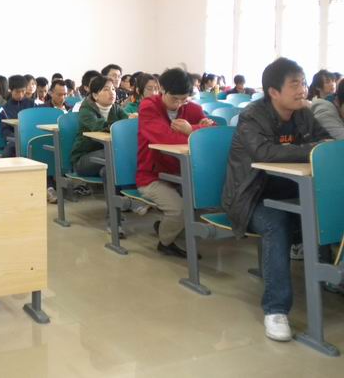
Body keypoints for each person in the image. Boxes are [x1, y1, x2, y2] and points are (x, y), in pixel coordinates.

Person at [222, 57, 330, 342]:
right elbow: (265, 153)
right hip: (250, 197)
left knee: (330, 210)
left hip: (292, 191)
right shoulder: (252, 117)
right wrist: (311, 149)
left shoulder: (303, 113)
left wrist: (313, 147)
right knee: (277, 223)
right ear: (273, 91)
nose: (302, 89)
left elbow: (326, 142)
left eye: (303, 82)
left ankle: (331, 276)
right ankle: (276, 309)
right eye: (294, 84)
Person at [137, 68, 214, 258]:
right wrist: (196, 130)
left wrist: (191, 129)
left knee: (209, 201)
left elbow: (212, 135)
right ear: (162, 89)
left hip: (182, 173)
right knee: (179, 209)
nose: (179, 104)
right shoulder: (148, 106)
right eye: (174, 99)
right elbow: (165, 138)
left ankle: (167, 227)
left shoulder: (192, 108)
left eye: (184, 99)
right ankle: (165, 242)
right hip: (152, 176)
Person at [70, 75, 133, 235]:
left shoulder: (116, 109)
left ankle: (114, 221)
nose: (112, 93)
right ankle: (132, 201)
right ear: (95, 95)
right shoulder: (86, 110)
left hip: (106, 160)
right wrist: (121, 125)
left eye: (113, 89)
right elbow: (98, 126)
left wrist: (132, 120)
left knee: (108, 171)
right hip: (84, 160)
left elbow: (127, 125)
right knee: (114, 155)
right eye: (106, 89)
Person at [0, 75, 34, 157]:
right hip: (15, 139)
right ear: (10, 90)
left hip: (32, 136)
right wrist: (18, 137)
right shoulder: (4, 109)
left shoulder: (33, 104)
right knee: (9, 150)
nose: (21, 95)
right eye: (17, 92)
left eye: (23, 91)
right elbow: (5, 130)